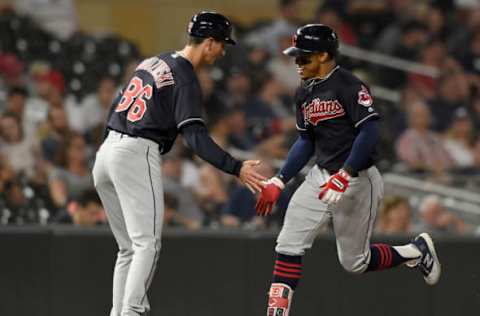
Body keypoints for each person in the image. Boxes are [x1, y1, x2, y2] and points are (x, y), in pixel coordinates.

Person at [254, 24, 442, 316]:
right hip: (320, 176)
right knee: (288, 244)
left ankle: (414, 251)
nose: (297, 63)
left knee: (354, 262)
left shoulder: (350, 85)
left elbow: (369, 132)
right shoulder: (304, 92)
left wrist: (347, 173)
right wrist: (279, 180)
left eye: (304, 57)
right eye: (297, 57)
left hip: (357, 180)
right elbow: (306, 140)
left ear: (324, 55)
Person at [92, 11, 265, 316]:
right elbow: (195, 137)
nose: (223, 50)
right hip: (135, 151)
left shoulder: (153, 61)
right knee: (148, 244)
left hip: (107, 151)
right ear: (209, 43)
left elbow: (116, 104)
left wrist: (110, 147)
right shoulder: (185, 77)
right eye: (222, 44)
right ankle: (131, 312)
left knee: (129, 248)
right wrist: (236, 167)